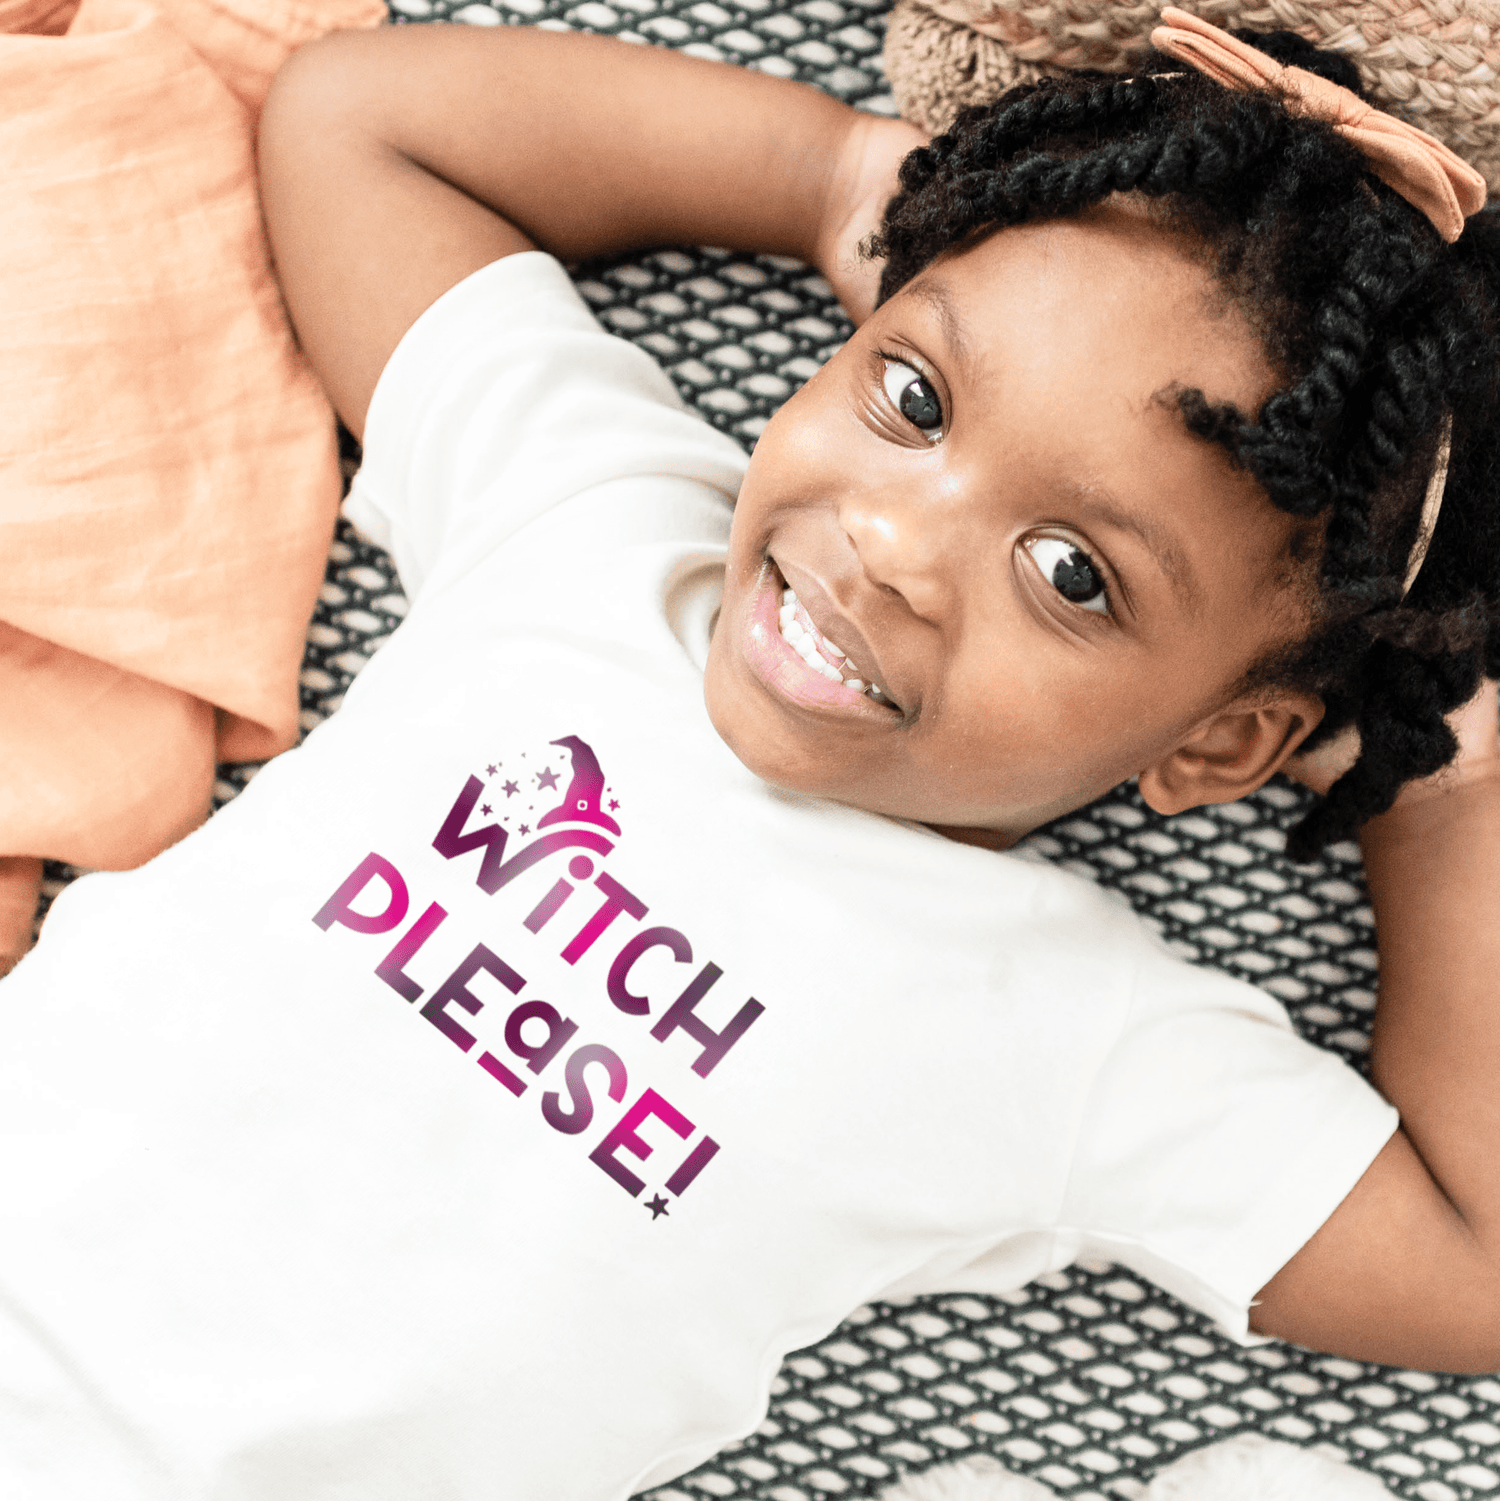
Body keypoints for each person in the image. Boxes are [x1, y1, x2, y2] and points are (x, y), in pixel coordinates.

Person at [0, 10, 1497, 1500]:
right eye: (914, 397)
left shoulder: (1069, 1036)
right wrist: (822, 177)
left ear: (1222, 743)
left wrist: (1445, 779)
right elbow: (358, 122)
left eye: (1069, 573)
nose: (892, 542)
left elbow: (1474, 1268)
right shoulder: (589, 515)